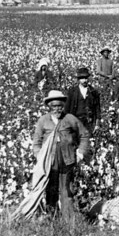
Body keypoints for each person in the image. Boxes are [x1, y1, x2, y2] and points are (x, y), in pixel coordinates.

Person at [32, 91, 92, 220]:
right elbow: (36, 141)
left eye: (59, 105)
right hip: (50, 161)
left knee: (67, 190)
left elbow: (84, 135)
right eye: (54, 106)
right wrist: (39, 156)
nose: (57, 109)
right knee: (51, 190)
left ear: (63, 105)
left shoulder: (70, 118)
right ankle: (52, 218)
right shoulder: (43, 121)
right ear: (49, 106)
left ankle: (68, 221)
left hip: (67, 159)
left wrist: (80, 152)